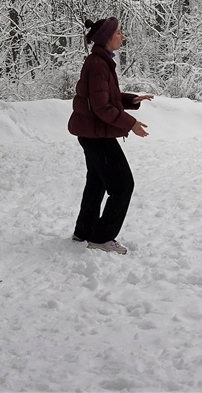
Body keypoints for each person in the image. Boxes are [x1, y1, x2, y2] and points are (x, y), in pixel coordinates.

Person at [67, 17, 153, 255]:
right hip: (97, 135)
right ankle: (102, 237)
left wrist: (130, 100)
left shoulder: (101, 62)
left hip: (92, 133)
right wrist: (131, 123)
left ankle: (83, 232)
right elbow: (101, 108)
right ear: (106, 38)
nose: (122, 36)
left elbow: (104, 98)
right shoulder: (97, 64)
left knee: (97, 183)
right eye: (118, 32)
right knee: (123, 185)